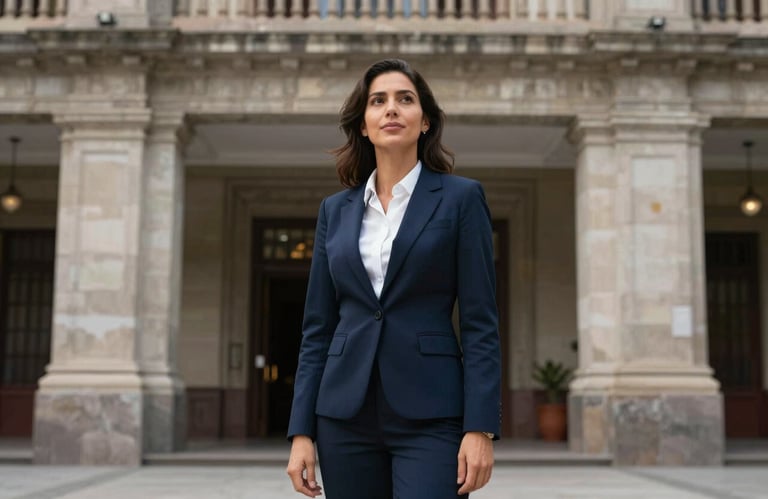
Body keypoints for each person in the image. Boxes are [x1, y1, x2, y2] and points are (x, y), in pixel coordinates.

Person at [286, 58, 501, 499]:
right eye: (378, 101)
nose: (391, 109)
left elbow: (481, 324)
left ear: (425, 121)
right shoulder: (335, 210)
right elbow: (317, 329)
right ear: (363, 125)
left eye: (405, 99)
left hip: (432, 413)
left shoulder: (461, 199)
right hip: (344, 415)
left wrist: (480, 427)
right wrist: (301, 432)